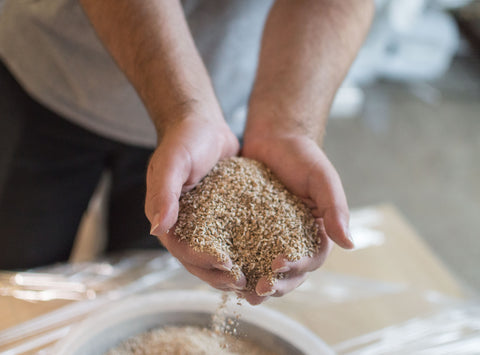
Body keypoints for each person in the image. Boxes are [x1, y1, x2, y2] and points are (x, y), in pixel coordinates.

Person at [0, 0, 374, 304]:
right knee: (16, 277)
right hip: (50, 71)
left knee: (143, 282)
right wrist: (184, 109)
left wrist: (288, 127)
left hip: (217, 106)